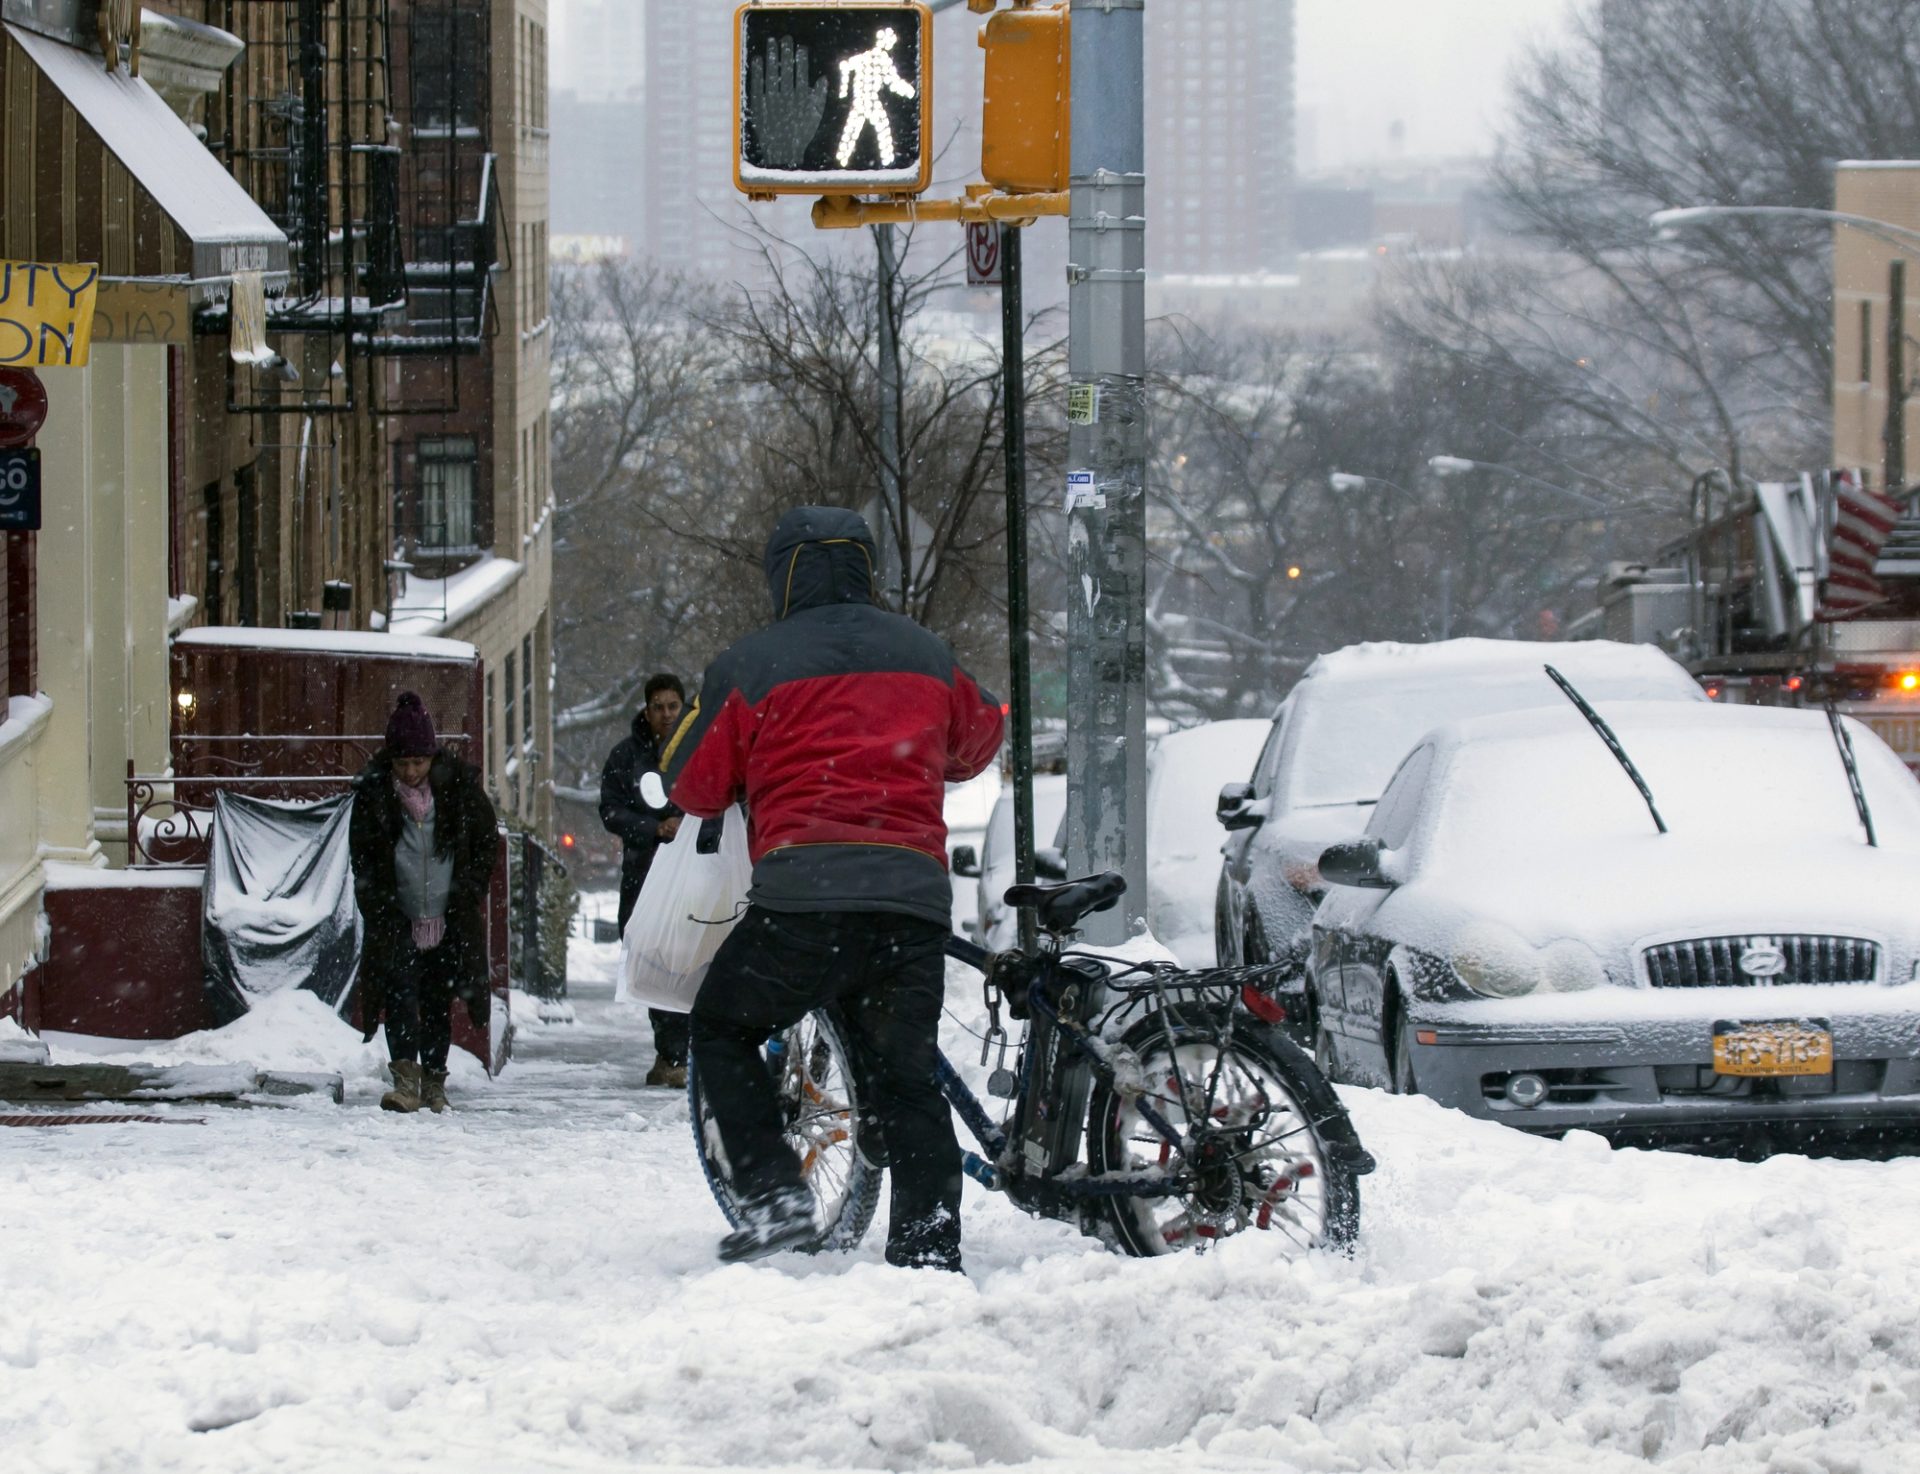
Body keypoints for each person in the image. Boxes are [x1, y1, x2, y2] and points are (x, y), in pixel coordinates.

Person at [663, 507, 1004, 1268]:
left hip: (803, 901)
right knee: (906, 1076)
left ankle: (774, 1191)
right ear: (864, 568)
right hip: (908, 903)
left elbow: (691, 783)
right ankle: (926, 1254)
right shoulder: (925, 653)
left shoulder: (751, 663)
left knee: (721, 1027)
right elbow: (980, 740)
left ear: (781, 575)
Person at [349, 692, 499, 1114]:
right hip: (397, 916)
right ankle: (405, 1082)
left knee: (437, 999)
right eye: (403, 764)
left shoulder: (459, 793)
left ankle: (435, 1080)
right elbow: (362, 857)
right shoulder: (375, 797)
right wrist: (377, 904)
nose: (411, 772)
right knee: (399, 996)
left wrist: (469, 889)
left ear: (432, 757)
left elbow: (486, 844)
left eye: (419, 762)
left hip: (448, 917)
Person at [599, 673, 691, 1086]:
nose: (666, 714)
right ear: (647, 709)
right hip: (644, 872)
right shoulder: (626, 756)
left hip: (692, 873)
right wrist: (652, 828)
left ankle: (681, 1054)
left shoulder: (698, 750)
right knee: (651, 962)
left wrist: (684, 825)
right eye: (659, 706)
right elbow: (611, 810)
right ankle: (669, 1052)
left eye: (673, 706)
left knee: (688, 960)